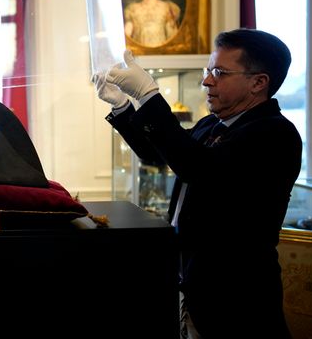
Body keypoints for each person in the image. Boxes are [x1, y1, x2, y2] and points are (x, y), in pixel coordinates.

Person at [93, 28, 301, 338]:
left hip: (236, 298)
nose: (206, 80)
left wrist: (149, 96)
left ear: (258, 82)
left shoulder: (275, 134)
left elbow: (200, 169)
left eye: (219, 72)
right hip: (191, 284)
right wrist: (123, 108)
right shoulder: (211, 124)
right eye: (208, 70)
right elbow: (158, 155)